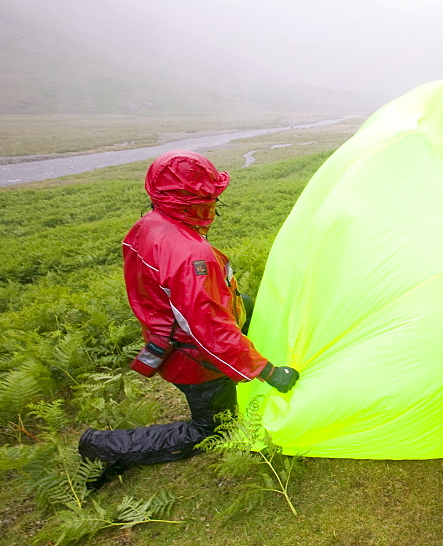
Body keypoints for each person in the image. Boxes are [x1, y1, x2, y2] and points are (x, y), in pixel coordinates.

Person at [79, 150, 299, 485]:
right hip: (195, 361)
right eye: (210, 198)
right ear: (192, 203)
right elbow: (209, 331)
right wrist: (270, 373)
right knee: (211, 431)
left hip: (169, 335)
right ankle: (103, 447)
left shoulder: (148, 226)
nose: (214, 205)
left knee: (252, 306)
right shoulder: (190, 256)